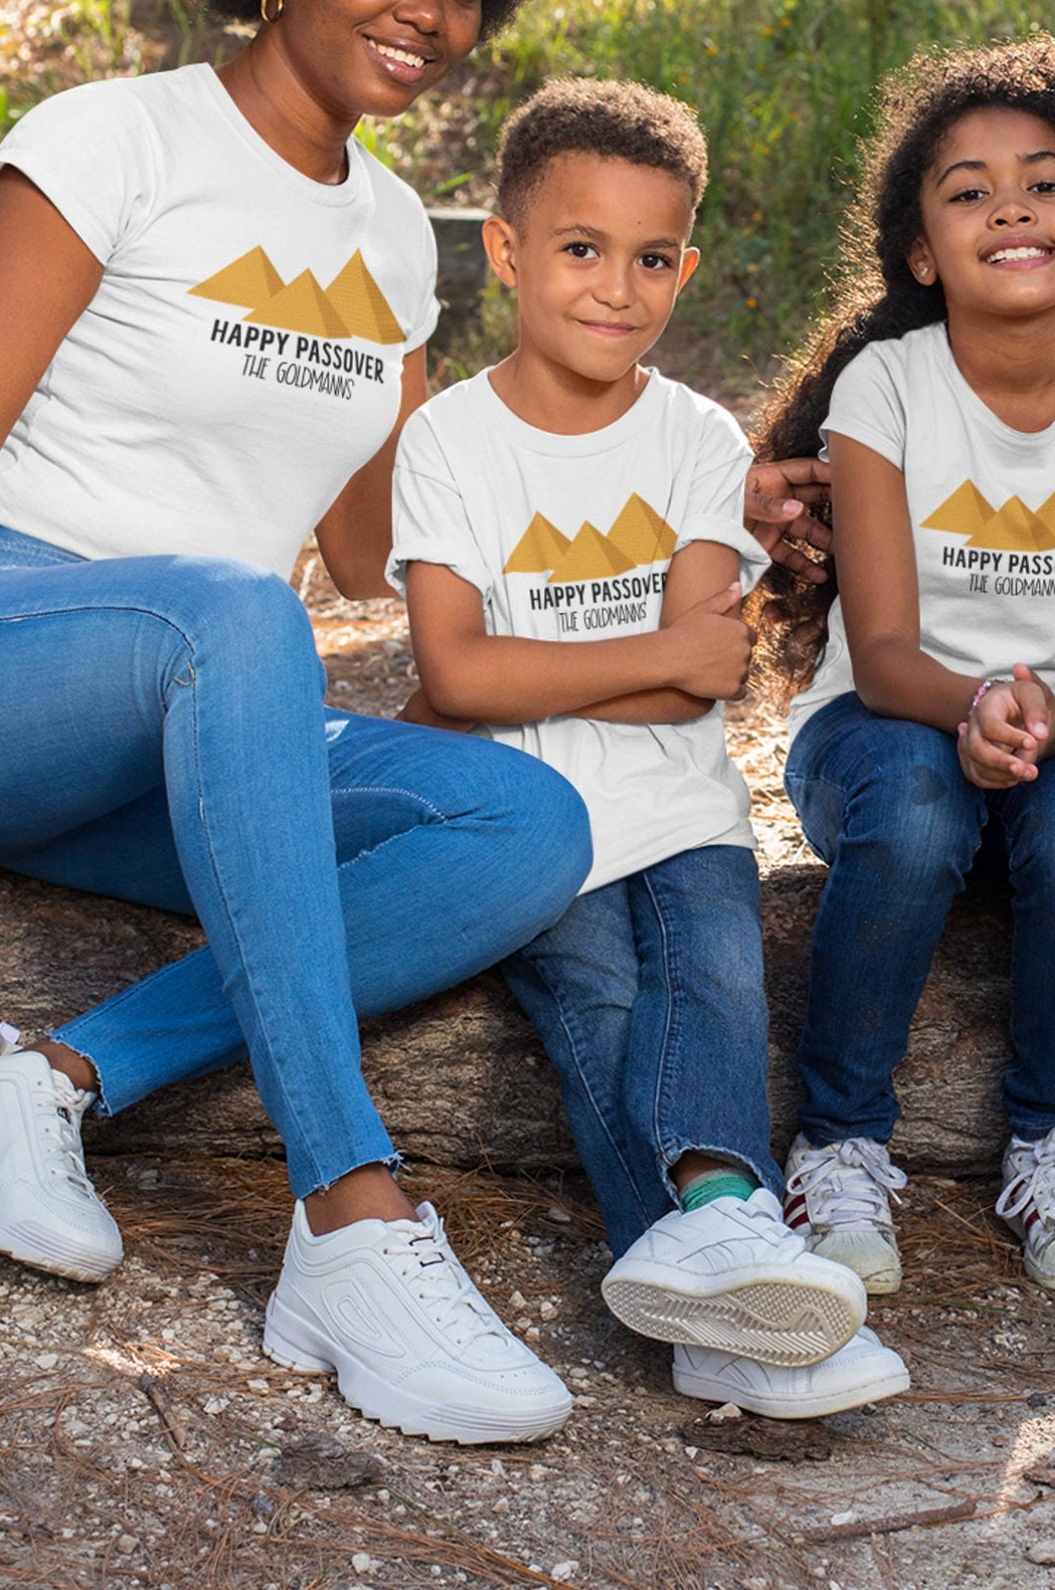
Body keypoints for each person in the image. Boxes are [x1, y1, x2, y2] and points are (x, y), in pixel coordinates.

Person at [0, 0, 596, 1444]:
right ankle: (348, 1216)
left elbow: (364, 551)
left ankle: (51, 1079)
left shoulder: (391, 240)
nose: (428, 8)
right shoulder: (111, 138)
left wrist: (613, 443)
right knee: (233, 611)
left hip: (214, 705)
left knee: (525, 829)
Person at [389, 77, 910, 1418]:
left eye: (651, 256)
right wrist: (619, 665)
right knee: (602, 1014)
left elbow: (698, 686)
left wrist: (523, 680)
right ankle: (739, 1305)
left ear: (686, 263)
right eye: (579, 248)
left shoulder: (691, 436)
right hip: (530, 827)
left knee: (713, 987)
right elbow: (451, 668)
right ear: (504, 250)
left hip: (682, 815)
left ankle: (720, 1247)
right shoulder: (449, 439)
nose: (615, 287)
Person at [751, 37, 1055, 1299]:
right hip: (881, 724)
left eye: (1045, 180)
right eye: (965, 189)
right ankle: (840, 1142)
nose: (1008, 204)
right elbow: (888, 649)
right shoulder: (885, 383)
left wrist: (1047, 717)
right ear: (918, 252)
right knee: (912, 792)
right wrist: (974, 707)